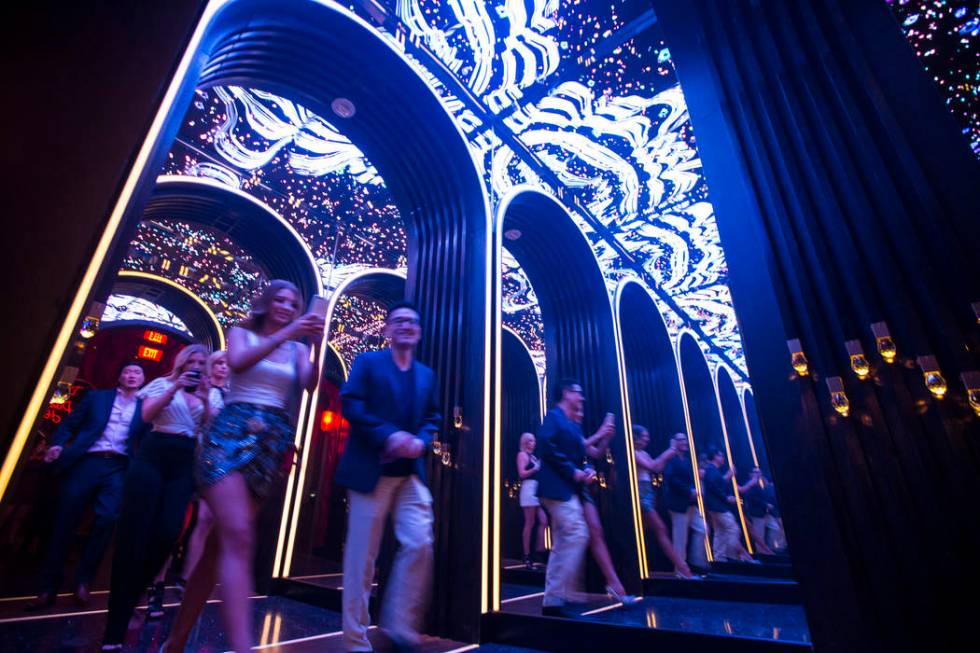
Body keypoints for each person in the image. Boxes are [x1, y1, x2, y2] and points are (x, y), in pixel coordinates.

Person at [163, 280, 322, 653]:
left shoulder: (298, 347)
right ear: (266, 304)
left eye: (293, 302)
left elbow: (309, 384)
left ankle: (175, 641)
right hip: (229, 435)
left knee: (220, 546)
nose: (286, 305)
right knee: (240, 536)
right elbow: (238, 362)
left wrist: (313, 344)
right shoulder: (240, 333)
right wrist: (289, 332)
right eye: (279, 300)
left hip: (271, 443)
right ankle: (242, 646)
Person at [335, 300, 439, 653]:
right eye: (399, 321)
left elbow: (433, 419)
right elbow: (352, 403)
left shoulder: (427, 375)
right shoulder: (368, 363)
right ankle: (355, 639)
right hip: (371, 470)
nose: (406, 326)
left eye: (412, 321)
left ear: (419, 331)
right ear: (387, 330)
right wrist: (388, 435)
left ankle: (398, 624)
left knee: (420, 542)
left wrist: (421, 441)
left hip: (410, 474)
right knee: (362, 556)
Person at [102, 345, 218, 649]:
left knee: (168, 533)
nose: (196, 366)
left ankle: (137, 592)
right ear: (181, 363)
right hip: (154, 454)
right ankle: (114, 628)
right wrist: (175, 388)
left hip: (184, 461)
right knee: (132, 537)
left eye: (201, 362)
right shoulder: (162, 384)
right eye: (190, 361)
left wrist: (205, 399)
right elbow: (147, 415)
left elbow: (212, 429)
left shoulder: (212, 393)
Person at [26, 362, 149, 610]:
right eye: (127, 371)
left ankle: (84, 580)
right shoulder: (97, 397)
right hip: (88, 462)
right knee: (65, 521)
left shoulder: (146, 407)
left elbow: (146, 439)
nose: (131, 375)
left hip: (118, 467)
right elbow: (70, 424)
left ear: (144, 379)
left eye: (137, 372)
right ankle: (48, 586)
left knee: (107, 519)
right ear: (119, 377)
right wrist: (57, 444)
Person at [146, 350, 231, 618]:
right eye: (217, 362)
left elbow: (221, 427)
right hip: (184, 456)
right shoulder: (184, 387)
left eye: (227, 364)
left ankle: (186, 579)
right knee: (173, 523)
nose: (222, 367)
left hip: (213, 463)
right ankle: (156, 582)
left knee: (205, 520)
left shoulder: (230, 395)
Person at [572, 404, 641, 605]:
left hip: (581, 486)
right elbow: (578, 448)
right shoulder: (563, 427)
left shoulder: (576, 431)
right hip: (565, 485)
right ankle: (563, 589)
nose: (580, 413)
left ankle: (614, 584)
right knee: (571, 538)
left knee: (596, 532)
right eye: (576, 410)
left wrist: (606, 438)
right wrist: (601, 431)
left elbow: (594, 453)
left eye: (581, 410)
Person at [632, 427, 695, 578]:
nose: (647, 439)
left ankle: (681, 570)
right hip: (639, 492)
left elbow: (656, 468)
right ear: (635, 437)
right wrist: (670, 450)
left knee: (650, 531)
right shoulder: (632, 452)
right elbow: (652, 466)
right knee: (660, 528)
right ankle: (683, 570)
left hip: (647, 491)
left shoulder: (644, 453)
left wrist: (668, 455)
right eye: (644, 436)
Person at [662, 432, 697, 571]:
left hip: (690, 503)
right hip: (677, 504)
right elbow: (671, 479)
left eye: (685, 439)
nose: (685, 442)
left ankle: (698, 563)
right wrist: (689, 491)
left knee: (702, 529)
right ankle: (680, 570)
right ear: (674, 442)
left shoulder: (688, 460)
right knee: (680, 539)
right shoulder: (671, 459)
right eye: (681, 440)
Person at [702, 447, 742, 562]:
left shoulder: (713, 470)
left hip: (715, 506)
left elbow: (717, 485)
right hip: (718, 507)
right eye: (721, 455)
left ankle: (720, 559)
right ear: (715, 456)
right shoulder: (711, 469)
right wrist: (726, 498)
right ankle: (731, 556)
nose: (723, 458)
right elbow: (714, 487)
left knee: (720, 532)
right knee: (733, 528)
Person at [517, 432, 548, 570]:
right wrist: (535, 468)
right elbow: (522, 473)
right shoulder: (522, 455)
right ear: (524, 442)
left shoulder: (534, 457)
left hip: (536, 490)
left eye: (534, 441)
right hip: (528, 489)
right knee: (529, 523)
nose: (533, 443)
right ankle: (527, 555)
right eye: (530, 441)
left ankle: (539, 550)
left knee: (544, 520)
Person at [742, 466, 774, 555]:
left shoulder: (759, 484)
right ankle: (762, 554)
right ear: (750, 474)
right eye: (755, 472)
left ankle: (769, 549)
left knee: (772, 528)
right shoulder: (750, 485)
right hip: (756, 513)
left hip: (763, 512)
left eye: (759, 472)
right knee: (759, 534)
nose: (758, 474)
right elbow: (752, 498)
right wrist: (765, 504)